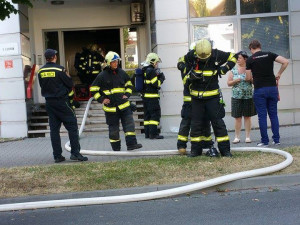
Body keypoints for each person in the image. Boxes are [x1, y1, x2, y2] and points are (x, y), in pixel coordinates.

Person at [184, 38, 239, 157]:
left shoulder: (217, 54)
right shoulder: (192, 55)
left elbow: (234, 56)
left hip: (213, 97)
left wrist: (225, 68)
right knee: (196, 125)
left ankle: (225, 151)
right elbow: (182, 62)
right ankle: (195, 151)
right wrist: (189, 74)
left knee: (218, 124)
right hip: (196, 98)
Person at [38, 49, 88, 163]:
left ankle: (57, 156)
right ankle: (75, 153)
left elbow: (42, 85)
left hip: (50, 103)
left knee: (54, 130)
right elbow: (70, 84)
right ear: (54, 57)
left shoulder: (40, 71)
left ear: (46, 58)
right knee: (72, 127)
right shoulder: (60, 69)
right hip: (62, 103)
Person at [90, 51, 143, 151]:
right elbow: (93, 89)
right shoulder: (102, 76)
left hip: (124, 106)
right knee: (113, 130)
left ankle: (132, 145)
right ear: (109, 63)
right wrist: (102, 99)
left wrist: (127, 95)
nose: (116, 63)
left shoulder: (122, 73)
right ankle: (116, 149)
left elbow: (129, 85)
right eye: (113, 62)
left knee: (129, 127)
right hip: (111, 109)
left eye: (117, 61)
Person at [245, 40, 289, 146]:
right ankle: (276, 140)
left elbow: (248, 77)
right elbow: (285, 61)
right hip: (272, 88)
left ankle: (265, 141)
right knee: (273, 115)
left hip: (260, 90)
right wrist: (278, 74)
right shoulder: (269, 54)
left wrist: (253, 80)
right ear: (260, 46)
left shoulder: (250, 59)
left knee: (262, 116)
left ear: (251, 48)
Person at [176, 42, 214, 156]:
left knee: (204, 122)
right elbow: (186, 81)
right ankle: (182, 145)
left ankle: (206, 144)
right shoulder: (187, 66)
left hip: (200, 100)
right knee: (187, 122)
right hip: (190, 100)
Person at [227, 51, 256, 144]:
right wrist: (235, 80)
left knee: (247, 117)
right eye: (237, 58)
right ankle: (237, 137)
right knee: (237, 117)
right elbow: (228, 83)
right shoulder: (233, 70)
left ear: (245, 59)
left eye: (239, 58)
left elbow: (255, 81)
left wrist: (250, 79)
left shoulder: (250, 69)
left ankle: (248, 137)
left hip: (248, 96)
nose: (237, 60)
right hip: (236, 97)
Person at [141, 53, 165, 139]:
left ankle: (147, 134)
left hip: (145, 98)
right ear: (153, 62)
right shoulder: (151, 71)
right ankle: (153, 134)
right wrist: (161, 78)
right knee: (155, 115)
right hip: (152, 98)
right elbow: (156, 84)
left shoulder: (144, 70)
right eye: (156, 62)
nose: (157, 64)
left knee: (147, 116)